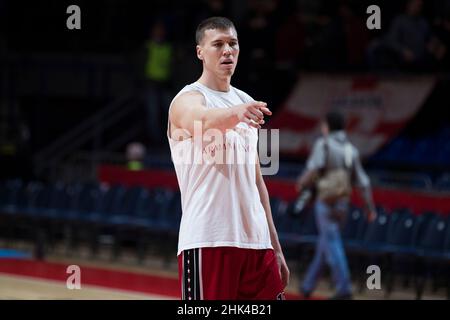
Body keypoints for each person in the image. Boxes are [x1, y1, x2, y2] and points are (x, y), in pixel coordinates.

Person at [167, 17, 289, 300]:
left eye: (232, 44)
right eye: (218, 44)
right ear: (200, 52)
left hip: (257, 245)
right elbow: (201, 119)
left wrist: (276, 247)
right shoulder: (187, 99)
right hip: (209, 240)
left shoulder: (245, 100)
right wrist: (236, 113)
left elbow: (258, 183)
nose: (227, 51)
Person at [295, 111, 376, 300]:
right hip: (342, 203)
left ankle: (344, 288)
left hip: (325, 201)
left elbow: (313, 169)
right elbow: (363, 182)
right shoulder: (351, 150)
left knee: (331, 243)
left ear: (327, 126)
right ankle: (307, 286)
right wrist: (369, 208)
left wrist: (301, 184)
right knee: (326, 243)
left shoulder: (323, 144)